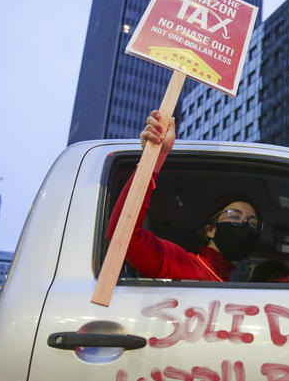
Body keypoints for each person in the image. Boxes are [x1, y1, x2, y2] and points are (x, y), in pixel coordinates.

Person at [106, 110, 263, 281]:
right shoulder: (185, 266)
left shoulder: (227, 281)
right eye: (235, 216)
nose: (244, 225)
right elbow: (124, 237)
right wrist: (153, 160)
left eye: (252, 223)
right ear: (210, 230)